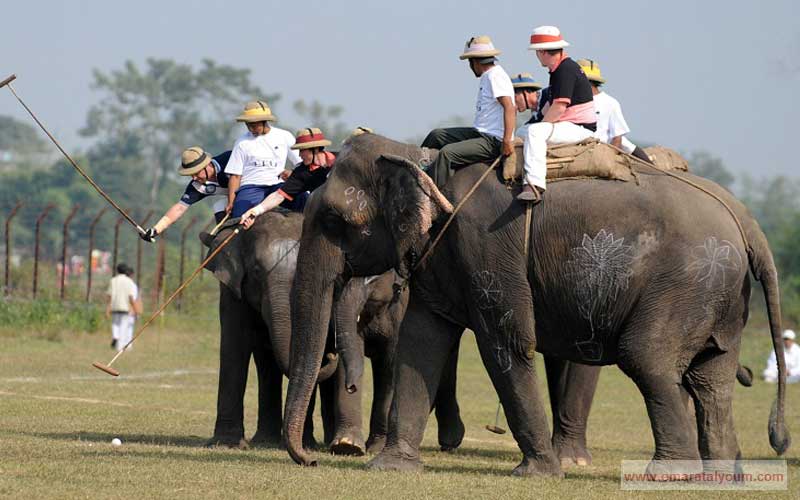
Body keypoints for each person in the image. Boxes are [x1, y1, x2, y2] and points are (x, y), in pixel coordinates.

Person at [421, 35, 515, 188]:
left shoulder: (496, 76)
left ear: (475, 61)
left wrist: (506, 141)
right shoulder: (488, 76)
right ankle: (417, 170)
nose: (470, 67)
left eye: (470, 62)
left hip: (492, 141)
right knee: (436, 135)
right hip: (480, 133)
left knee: (447, 154)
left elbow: (510, 107)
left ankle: (431, 195)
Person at [520, 26, 597, 202]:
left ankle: (534, 184)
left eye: (536, 52)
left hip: (579, 127)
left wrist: (540, 127)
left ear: (542, 52)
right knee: (522, 132)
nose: (536, 56)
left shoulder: (565, 70)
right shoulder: (558, 70)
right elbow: (550, 106)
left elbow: (559, 107)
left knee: (534, 132)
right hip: (567, 124)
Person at [241, 128, 335, 229]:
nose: (299, 155)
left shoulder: (341, 160)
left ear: (315, 149)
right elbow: (278, 195)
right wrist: (255, 211)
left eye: (302, 150)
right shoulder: (301, 173)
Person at [224, 100, 304, 217]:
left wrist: (292, 173)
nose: (251, 129)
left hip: (278, 186)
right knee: (238, 216)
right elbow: (235, 176)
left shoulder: (284, 136)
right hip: (251, 187)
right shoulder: (241, 142)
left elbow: (301, 163)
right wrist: (231, 202)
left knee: (304, 199)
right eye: (248, 125)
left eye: (254, 125)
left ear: (264, 121)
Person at [140, 147, 232, 242]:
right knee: (219, 206)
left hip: (246, 193)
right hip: (233, 198)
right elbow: (179, 208)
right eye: (191, 174)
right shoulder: (196, 185)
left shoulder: (229, 159)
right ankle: (223, 240)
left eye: (196, 173)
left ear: (207, 165)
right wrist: (156, 230)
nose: (194, 178)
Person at [576, 59, 652, 163]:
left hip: (601, 149)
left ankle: (651, 166)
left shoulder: (610, 103)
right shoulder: (571, 100)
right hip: (577, 148)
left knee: (627, 144)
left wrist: (609, 158)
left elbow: (617, 138)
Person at [106, 263, 139, 351]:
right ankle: (120, 347)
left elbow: (110, 296)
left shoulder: (113, 280)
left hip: (114, 306)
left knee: (115, 324)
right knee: (123, 327)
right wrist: (135, 309)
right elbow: (131, 297)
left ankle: (115, 336)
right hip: (125, 307)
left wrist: (108, 308)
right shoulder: (129, 281)